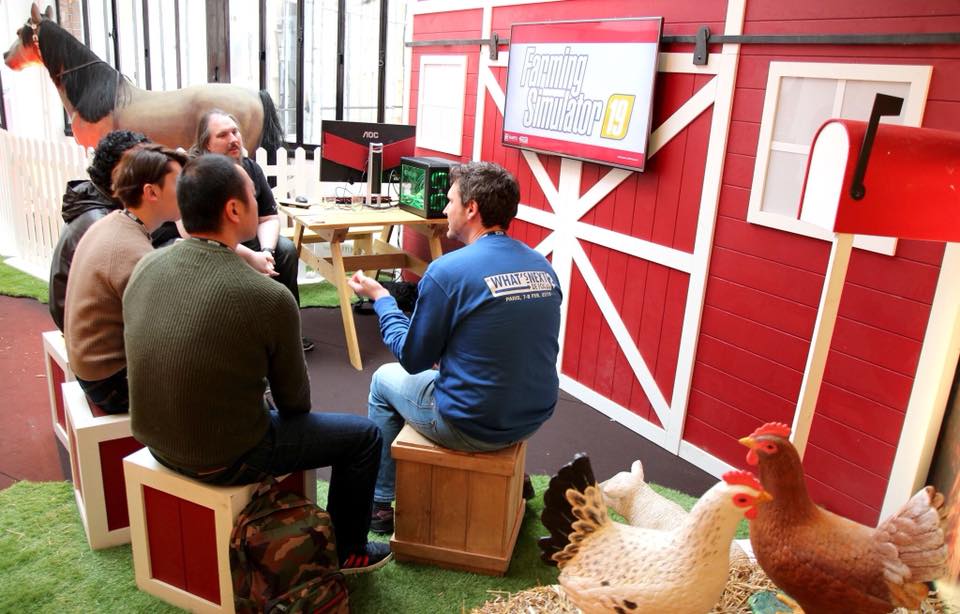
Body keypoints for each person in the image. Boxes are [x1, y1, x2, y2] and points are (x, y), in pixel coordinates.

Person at [124, 154, 390, 573]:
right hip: (224, 455)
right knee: (365, 437)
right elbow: (296, 404)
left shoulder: (147, 265)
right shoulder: (267, 296)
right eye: (253, 194)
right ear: (233, 209)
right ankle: (348, 550)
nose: (261, 201)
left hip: (154, 439)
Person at [348, 161, 563, 534]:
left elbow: (412, 358)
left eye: (450, 201)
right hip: (533, 416)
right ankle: (511, 476)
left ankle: (379, 504)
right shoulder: (542, 266)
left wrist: (382, 299)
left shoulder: (447, 271)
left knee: (383, 380)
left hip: (470, 423)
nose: (445, 209)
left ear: (471, 208)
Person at [151, 109, 314, 352]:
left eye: (235, 132)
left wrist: (266, 251)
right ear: (207, 144)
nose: (233, 139)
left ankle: (288, 331)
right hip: (203, 245)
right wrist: (250, 256)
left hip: (244, 240)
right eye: (223, 135)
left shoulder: (251, 168)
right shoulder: (194, 173)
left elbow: (268, 217)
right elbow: (193, 234)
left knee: (286, 250)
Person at [63, 144, 187, 414]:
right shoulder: (131, 250)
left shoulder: (114, 223)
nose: (186, 191)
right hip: (112, 383)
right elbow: (167, 334)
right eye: (179, 183)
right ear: (151, 192)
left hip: (91, 368)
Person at [48, 130, 150, 331]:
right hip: (86, 330)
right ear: (117, 175)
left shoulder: (99, 202)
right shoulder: (103, 222)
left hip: (80, 318)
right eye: (143, 166)